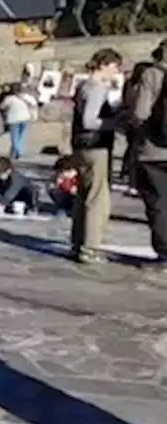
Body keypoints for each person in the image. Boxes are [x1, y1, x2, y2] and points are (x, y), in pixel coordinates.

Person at [70, 48, 124, 264]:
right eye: (114, 67)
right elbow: (89, 121)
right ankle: (90, 247)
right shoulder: (96, 88)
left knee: (84, 195)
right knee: (97, 199)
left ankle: (78, 242)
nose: (116, 71)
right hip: (95, 146)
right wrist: (116, 123)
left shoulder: (83, 86)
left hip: (81, 146)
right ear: (104, 64)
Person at [131, 40, 167, 263]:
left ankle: (164, 252)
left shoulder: (152, 75)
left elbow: (141, 113)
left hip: (154, 150)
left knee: (159, 202)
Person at [0, 83, 35, 161]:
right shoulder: (28, 97)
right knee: (22, 136)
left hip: (14, 119)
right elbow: (34, 104)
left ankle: (18, 151)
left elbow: (2, 106)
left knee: (14, 137)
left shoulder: (9, 98)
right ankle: (18, 151)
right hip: (26, 118)